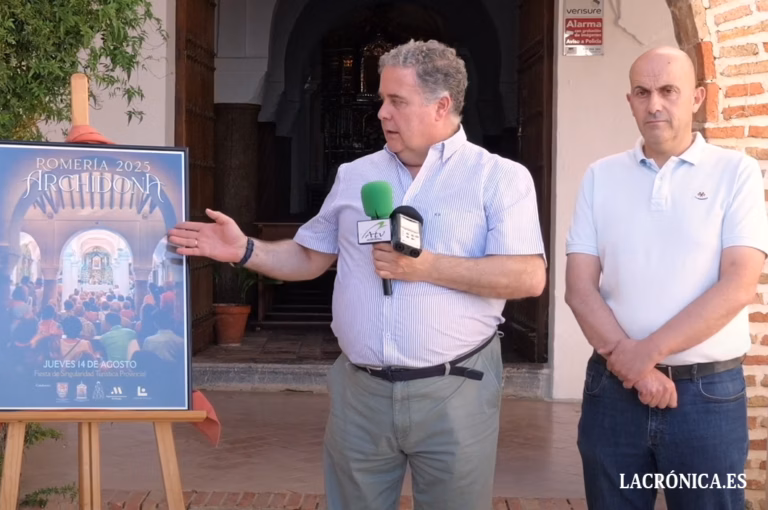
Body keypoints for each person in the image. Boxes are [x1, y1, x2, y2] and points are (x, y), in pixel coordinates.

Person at [169, 39, 546, 510]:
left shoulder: (499, 178)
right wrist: (244, 249)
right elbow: (309, 258)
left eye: (397, 101)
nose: (382, 113)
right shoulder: (356, 175)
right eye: (383, 100)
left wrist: (426, 267)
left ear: (441, 105)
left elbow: (527, 277)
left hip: (456, 389)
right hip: (360, 394)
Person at [565, 46, 768, 510]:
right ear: (630, 101)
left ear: (696, 97)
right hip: (613, 398)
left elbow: (738, 284)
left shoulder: (734, 173)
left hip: (706, 399)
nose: (654, 103)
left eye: (668, 91)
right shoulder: (601, 177)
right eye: (642, 92)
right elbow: (578, 289)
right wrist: (636, 371)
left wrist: (643, 358)